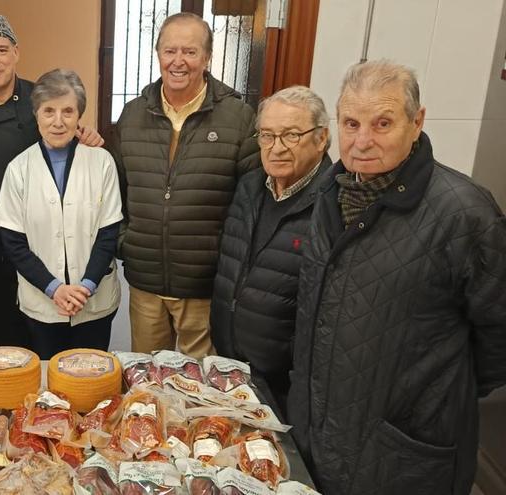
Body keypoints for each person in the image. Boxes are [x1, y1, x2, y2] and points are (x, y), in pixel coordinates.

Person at [288, 60, 506, 494]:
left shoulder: (465, 214)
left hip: (403, 455)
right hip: (320, 433)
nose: (363, 141)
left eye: (382, 123)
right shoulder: (330, 194)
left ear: (417, 122)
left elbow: (497, 342)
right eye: (351, 123)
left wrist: (426, 398)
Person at [108, 12, 259, 359]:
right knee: (147, 384)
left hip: (204, 285)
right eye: (169, 51)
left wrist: (226, 258)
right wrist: (125, 243)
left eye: (190, 52)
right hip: (145, 281)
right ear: (158, 54)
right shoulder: (132, 115)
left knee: (200, 392)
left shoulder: (238, 117)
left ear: (207, 58)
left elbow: (250, 202)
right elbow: (115, 189)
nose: (178, 61)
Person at [0, 14, 104, 349]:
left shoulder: (40, 98)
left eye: (2, 50)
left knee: (40, 324)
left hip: (38, 238)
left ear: (16, 53)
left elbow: (66, 138)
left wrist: (87, 137)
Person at [211, 86, 331, 415]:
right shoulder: (250, 186)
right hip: (232, 363)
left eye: (291, 135)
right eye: (267, 136)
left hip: (286, 382)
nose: (276, 148)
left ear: (321, 138)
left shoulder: (333, 204)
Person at [0, 69, 122, 360]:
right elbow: (13, 242)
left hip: (94, 302)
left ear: (79, 116)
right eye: (49, 111)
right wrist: (55, 289)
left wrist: (84, 287)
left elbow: (108, 233)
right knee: (50, 385)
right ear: (36, 113)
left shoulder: (102, 162)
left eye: (68, 111)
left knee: (92, 382)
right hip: (42, 303)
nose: (58, 121)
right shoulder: (19, 169)